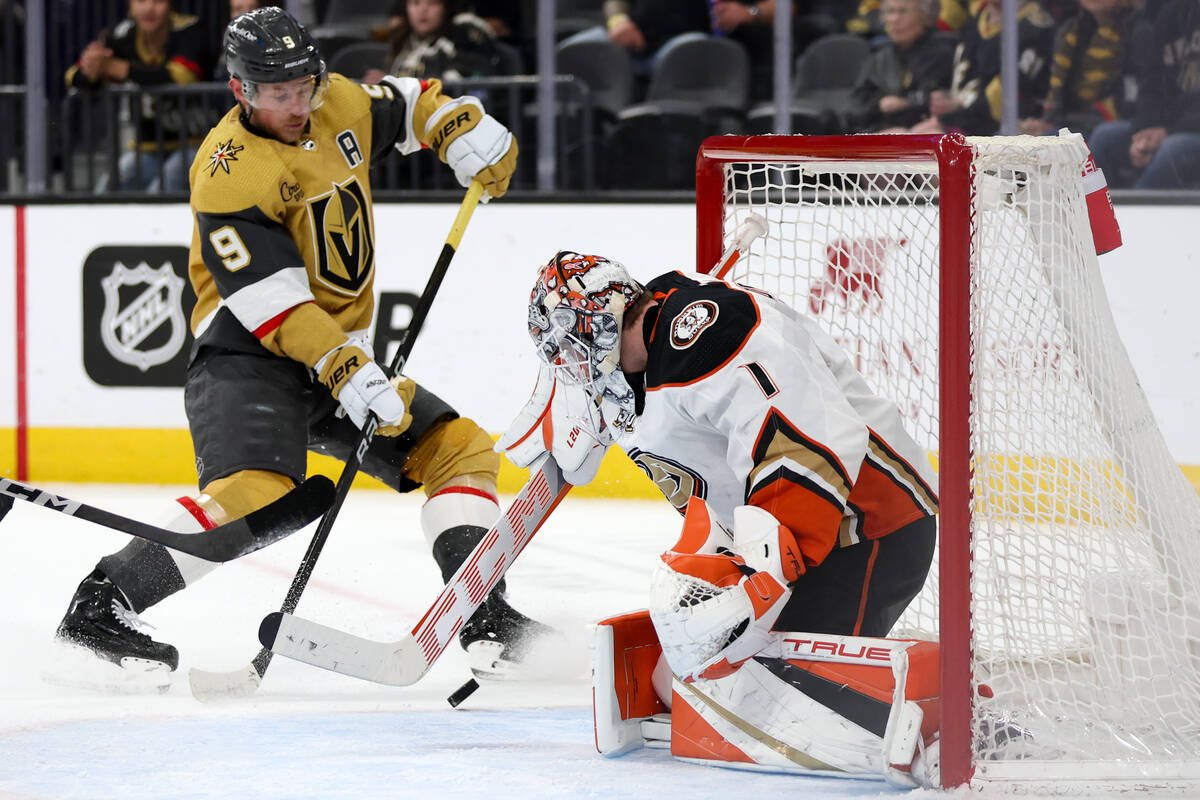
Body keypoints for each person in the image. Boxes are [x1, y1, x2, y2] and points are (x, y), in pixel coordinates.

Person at [52, 7, 541, 691]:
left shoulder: (332, 99)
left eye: (303, 85)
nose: (296, 104)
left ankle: (484, 616)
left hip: (334, 358)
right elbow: (270, 302)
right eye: (277, 93)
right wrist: (345, 365)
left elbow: (407, 102)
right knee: (255, 492)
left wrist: (459, 125)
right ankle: (101, 606)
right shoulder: (227, 171)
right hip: (247, 359)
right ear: (239, 91)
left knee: (457, 449)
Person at [496, 252, 940, 780]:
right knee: (677, 683)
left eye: (572, 349)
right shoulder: (638, 365)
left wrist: (760, 570)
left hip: (866, 524)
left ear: (601, 320)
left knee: (767, 700)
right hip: (797, 541)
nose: (572, 366)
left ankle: (958, 730)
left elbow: (806, 435)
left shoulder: (707, 332)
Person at [65, 0, 212, 193]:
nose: (149, 8)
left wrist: (115, 67)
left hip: (197, 146)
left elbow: (182, 76)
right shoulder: (124, 34)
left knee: (159, 190)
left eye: (157, 1)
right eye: (141, 1)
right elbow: (72, 76)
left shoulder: (190, 30)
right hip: (147, 148)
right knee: (105, 191)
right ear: (130, 6)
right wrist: (93, 67)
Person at [1087, 0, 1200, 188]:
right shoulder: (1174, 13)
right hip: (1167, 126)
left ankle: (1130, 214)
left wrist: (1168, 132)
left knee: (1172, 149)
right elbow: (1151, 82)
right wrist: (1146, 130)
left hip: (1185, 131)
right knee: (1104, 137)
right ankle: (1097, 213)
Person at [905, 0, 1055, 135]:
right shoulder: (978, 18)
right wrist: (945, 100)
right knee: (901, 135)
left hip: (1004, 125)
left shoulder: (1036, 27)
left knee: (922, 139)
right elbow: (964, 75)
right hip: (964, 117)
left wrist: (953, 113)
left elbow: (1002, 99)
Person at [1019, 0, 1149, 138]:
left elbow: (1132, 100)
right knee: (1017, 137)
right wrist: (1044, 123)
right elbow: (1056, 97)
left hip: (1113, 122)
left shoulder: (1137, 31)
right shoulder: (1071, 30)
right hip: (1070, 122)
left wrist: (1055, 128)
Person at [847, 0, 958, 132]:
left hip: (932, 129)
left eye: (902, 11)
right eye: (890, 11)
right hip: (883, 131)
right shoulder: (880, 58)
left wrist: (906, 103)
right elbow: (855, 108)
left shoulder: (945, 51)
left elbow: (946, 99)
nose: (894, 19)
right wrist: (878, 106)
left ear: (924, 16)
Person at [363, 0, 504, 85]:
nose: (423, 10)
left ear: (445, 7)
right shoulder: (403, 41)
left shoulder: (464, 34)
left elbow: (471, 82)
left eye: (432, 3)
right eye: (415, 3)